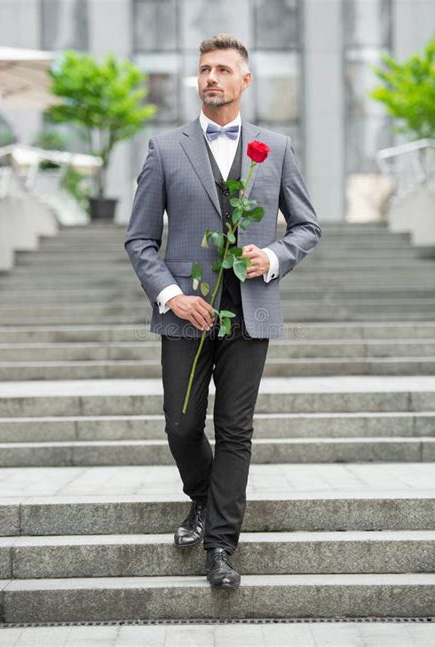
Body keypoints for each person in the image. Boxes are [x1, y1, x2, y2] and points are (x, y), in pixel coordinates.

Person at [124, 33, 322, 589]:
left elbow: (307, 227)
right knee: (182, 425)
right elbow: (140, 240)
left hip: (249, 314)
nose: (211, 77)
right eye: (204, 69)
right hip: (185, 314)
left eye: (222, 69)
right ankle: (202, 499)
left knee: (236, 430)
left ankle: (220, 546)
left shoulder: (276, 148)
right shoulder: (164, 149)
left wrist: (275, 255)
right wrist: (171, 296)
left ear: (244, 80)